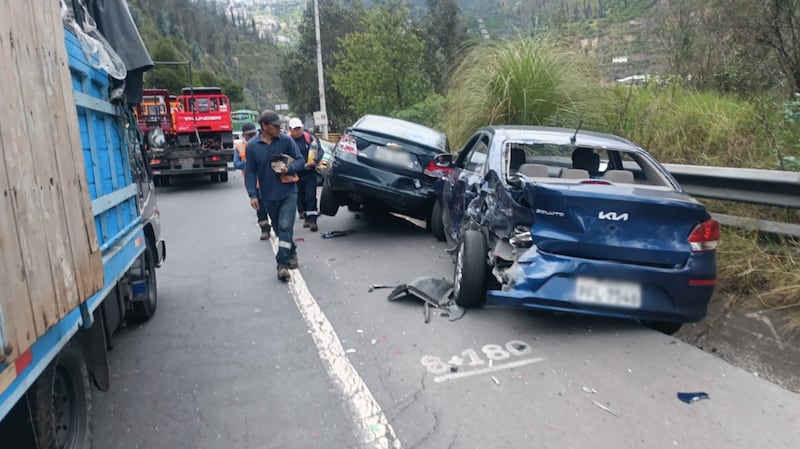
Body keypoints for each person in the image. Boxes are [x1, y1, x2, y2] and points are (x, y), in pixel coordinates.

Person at [245, 110, 306, 281]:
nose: (279, 128)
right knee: (280, 230)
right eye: (275, 126)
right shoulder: (252, 147)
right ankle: (291, 251)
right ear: (264, 126)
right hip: (268, 195)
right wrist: (253, 195)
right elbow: (250, 172)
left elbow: (300, 160)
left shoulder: (286, 140)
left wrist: (289, 169)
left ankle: (282, 264)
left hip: (288, 192)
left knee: (285, 227)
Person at [233, 123, 271, 240]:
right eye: (249, 135)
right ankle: (265, 229)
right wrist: (250, 164)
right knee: (260, 207)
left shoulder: (262, 142)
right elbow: (236, 164)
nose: (252, 137)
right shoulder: (239, 147)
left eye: (253, 134)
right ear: (243, 135)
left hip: (267, 180)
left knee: (272, 204)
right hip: (253, 183)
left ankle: (278, 226)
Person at [288, 117, 324, 231]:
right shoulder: (288, 141)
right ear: (290, 130)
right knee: (300, 197)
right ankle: (305, 217)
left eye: (299, 128)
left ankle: (313, 220)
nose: (297, 131)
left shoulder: (310, 138)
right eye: (295, 129)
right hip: (295, 174)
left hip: (309, 172)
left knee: (310, 196)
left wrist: (315, 160)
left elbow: (320, 151)